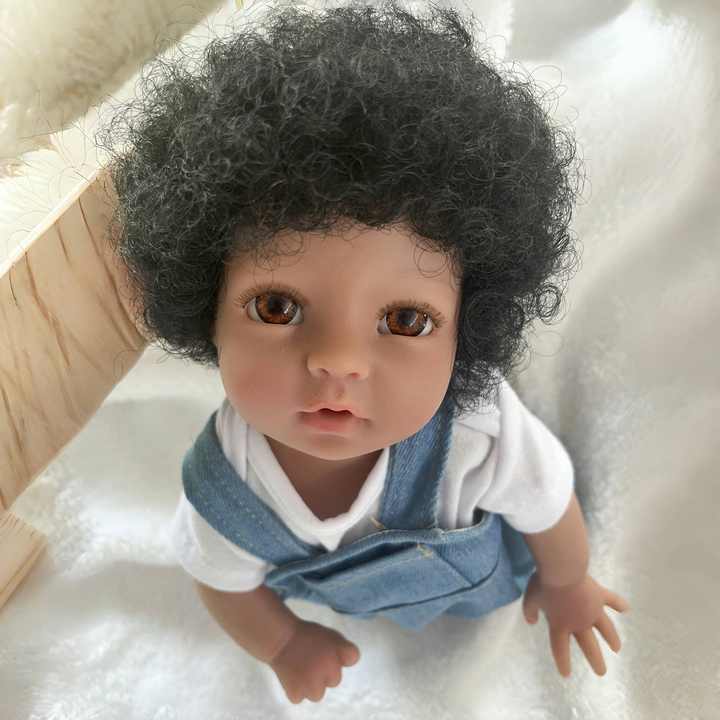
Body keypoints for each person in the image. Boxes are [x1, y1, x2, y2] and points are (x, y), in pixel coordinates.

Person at [97, 1, 629, 704]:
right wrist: (283, 642)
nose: (338, 361)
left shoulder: (478, 434)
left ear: (467, 329)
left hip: (494, 591)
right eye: (277, 307)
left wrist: (567, 583)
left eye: (405, 319)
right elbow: (220, 582)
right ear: (206, 310)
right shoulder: (226, 490)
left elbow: (548, 502)